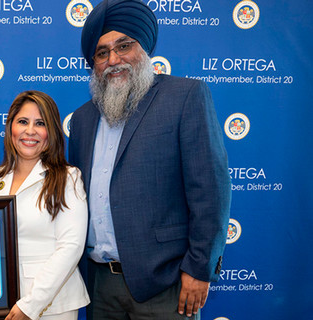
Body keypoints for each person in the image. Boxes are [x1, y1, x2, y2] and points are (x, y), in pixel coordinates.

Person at [69, 0, 232, 319]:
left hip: (165, 284)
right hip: (99, 286)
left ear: (143, 48)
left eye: (123, 46)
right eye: (102, 53)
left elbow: (210, 191)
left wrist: (199, 269)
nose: (113, 60)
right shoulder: (83, 119)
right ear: (93, 63)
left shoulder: (185, 97)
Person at [0, 91, 90, 320]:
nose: (30, 131)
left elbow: (70, 247)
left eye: (39, 123)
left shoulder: (68, 178)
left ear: (50, 131)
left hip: (52, 307)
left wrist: (30, 305)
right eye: (22, 121)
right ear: (10, 127)